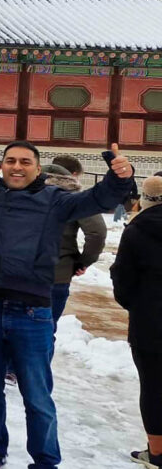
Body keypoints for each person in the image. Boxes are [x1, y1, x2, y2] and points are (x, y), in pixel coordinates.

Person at [0, 140, 134, 469]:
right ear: (0, 166)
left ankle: (45, 462)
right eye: (11, 160)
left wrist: (121, 177)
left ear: (38, 169)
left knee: (37, 396)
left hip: (32, 312)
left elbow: (100, 198)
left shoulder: (56, 201)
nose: (17, 166)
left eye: (25, 161)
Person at [112, 175, 162, 469]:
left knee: (154, 388)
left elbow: (122, 281)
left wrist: (139, 306)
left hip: (150, 325)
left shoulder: (137, 229)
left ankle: (156, 453)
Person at [44, 157, 107, 327]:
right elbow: (97, 232)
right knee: (45, 331)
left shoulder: (21, 191)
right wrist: (82, 262)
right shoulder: (74, 197)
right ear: (71, 175)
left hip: (14, 273)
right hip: (57, 271)